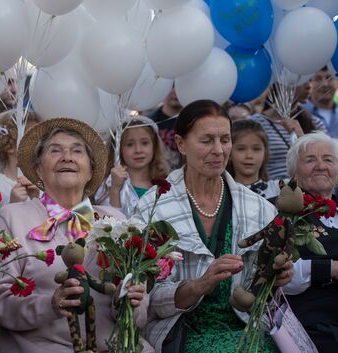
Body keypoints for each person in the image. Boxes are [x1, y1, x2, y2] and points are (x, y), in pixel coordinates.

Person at [0, 117, 153, 353]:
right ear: (38, 170)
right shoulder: (13, 217)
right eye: (55, 150)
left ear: (91, 172)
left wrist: (129, 301)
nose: (67, 157)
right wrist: (49, 305)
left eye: (77, 151)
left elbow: (140, 314)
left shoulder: (116, 221)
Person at [136, 100, 293, 353]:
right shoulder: (154, 208)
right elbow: (148, 299)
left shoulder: (259, 208)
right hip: (180, 331)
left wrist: (277, 277)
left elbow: (263, 292)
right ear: (180, 144)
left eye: (225, 139)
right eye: (207, 140)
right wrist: (199, 285)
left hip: (248, 329)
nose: (219, 150)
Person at [282, 132, 338, 353]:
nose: (320, 166)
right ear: (294, 172)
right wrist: (329, 269)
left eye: (328, 159)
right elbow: (275, 278)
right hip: (312, 324)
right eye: (310, 160)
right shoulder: (283, 212)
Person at [249, 81, 326, 180]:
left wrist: (301, 137)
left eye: (311, 80)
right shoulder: (254, 124)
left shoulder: (316, 123)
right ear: (282, 84)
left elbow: (325, 160)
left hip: (308, 189)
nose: (308, 86)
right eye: (302, 80)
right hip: (271, 191)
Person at [94, 115, 168, 217]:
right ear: (118, 149)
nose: (138, 150)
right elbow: (109, 224)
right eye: (130, 144)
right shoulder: (109, 184)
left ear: (154, 145)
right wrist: (115, 189)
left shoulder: (165, 181)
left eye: (145, 143)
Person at [227, 120, 283, 199]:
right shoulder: (221, 194)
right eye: (241, 149)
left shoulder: (278, 190)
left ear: (265, 153)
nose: (249, 156)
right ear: (229, 154)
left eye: (256, 149)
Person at [147, 87, 183, 171]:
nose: (175, 92)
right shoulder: (148, 123)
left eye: (178, 86)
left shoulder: (194, 122)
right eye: (171, 86)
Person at [303, 66, 338, 138]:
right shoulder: (299, 113)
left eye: (329, 78)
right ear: (309, 83)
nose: (325, 84)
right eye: (318, 79)